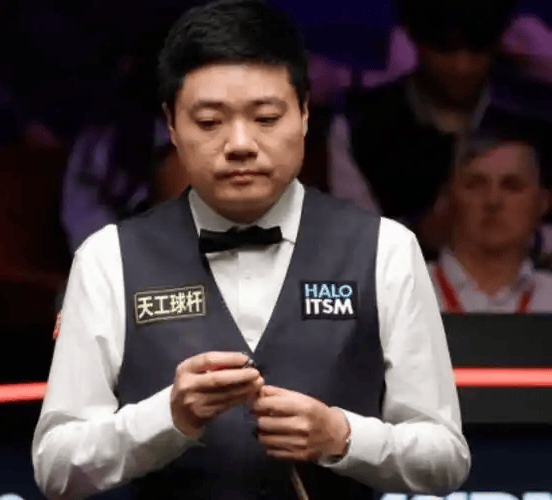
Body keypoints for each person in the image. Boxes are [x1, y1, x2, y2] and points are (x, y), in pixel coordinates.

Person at [32, 1, 470, 498]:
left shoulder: (386, 249)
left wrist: (343, 437)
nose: (240, 143)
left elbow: (445, 458)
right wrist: (166, 418)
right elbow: (56, 467)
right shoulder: (107, 259)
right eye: (209, 121)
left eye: (266, 117)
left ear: (304, 114)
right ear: (171, 125)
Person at [328, 0, 521, 236]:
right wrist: (420, 233)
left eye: (478, 48)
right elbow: (354, 241)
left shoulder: (533, 122)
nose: (462, 67)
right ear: (413, 38)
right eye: (445, 49)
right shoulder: (358, 125)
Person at [429, 130, 552, 313]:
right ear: (447, 197)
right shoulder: (398, 294)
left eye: (512, 186)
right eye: (476, 184)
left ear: (542, 202)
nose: (493, 200)